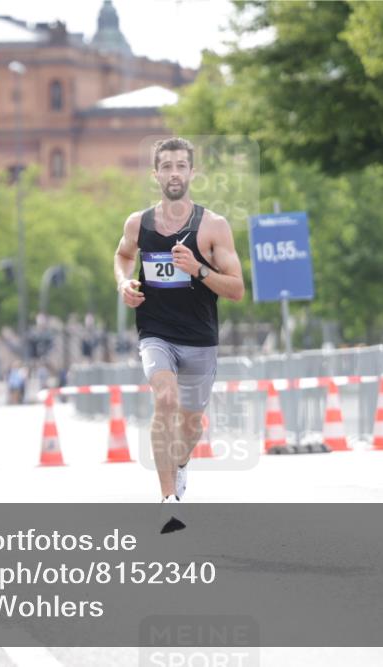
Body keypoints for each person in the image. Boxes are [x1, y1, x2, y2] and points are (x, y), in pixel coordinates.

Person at [113, 137, 245, 509]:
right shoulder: (138, 223)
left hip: (200, 338)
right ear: (156, 174)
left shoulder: (214, 226)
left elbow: (236, 289)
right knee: (165, 398)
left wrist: (198, 269)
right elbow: (122, 256)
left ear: (192, 172)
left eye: (181, 166)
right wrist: (124, 282)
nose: (174, 173)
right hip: (156, 332)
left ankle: (182, 461)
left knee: (190, 426)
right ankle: (168, 496)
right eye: (167, 166)